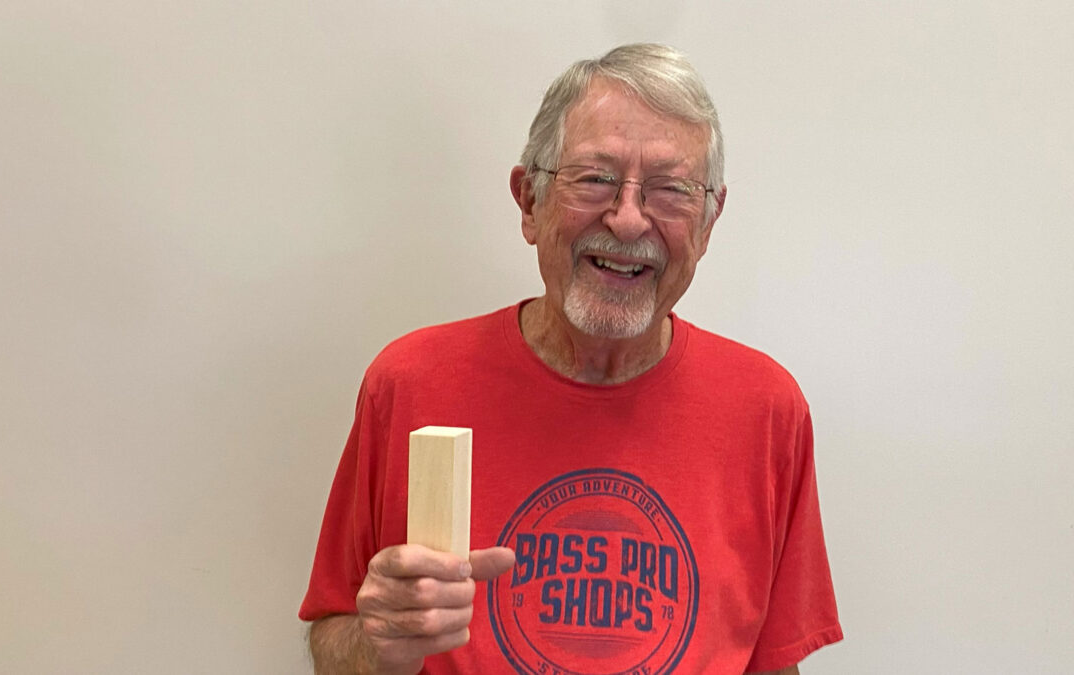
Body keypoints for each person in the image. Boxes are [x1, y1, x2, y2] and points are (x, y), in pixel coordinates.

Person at [300, 43, 842, 675]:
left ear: (708, 222)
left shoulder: (765, 409)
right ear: (528, 201)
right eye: (595, 179)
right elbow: (333, 640)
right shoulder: (410, 383)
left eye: (671, 190)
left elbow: (773, 663)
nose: (629, 219)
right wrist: (377, 645)